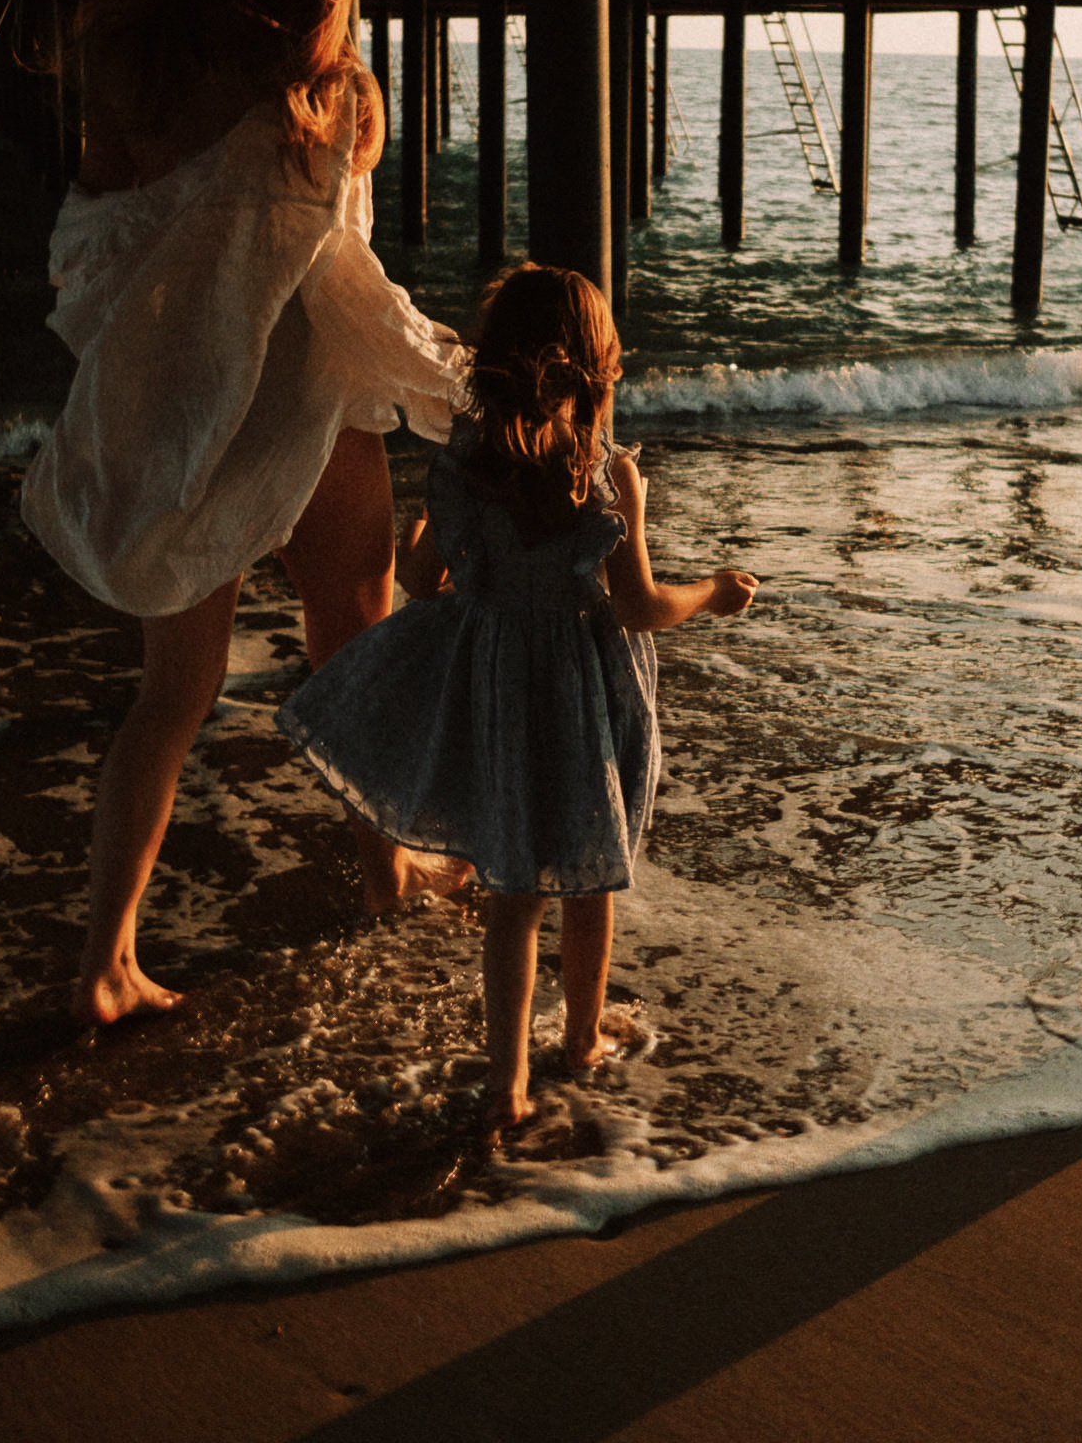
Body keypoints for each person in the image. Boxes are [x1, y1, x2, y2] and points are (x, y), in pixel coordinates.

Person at [21, 0, 470, 1028]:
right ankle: (385, 871)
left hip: (184, 412)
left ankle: (105, 960)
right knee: (354, 645)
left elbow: (108, 244)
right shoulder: (341, 99)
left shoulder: (130, 69)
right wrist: (446, 378)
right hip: (305, 409)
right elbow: (340, 271)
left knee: (174, 694)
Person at [274, 264, 758, 1129]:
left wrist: (429, 536)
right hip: (580, 694)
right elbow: (638, 606)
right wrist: (713, 593)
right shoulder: (608, 474)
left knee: (512, 894)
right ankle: (579, 1042)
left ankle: (506, 1085)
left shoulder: (463, 466)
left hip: (500, 684)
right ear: (592, 367)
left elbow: (422, 583)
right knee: (587, 876)